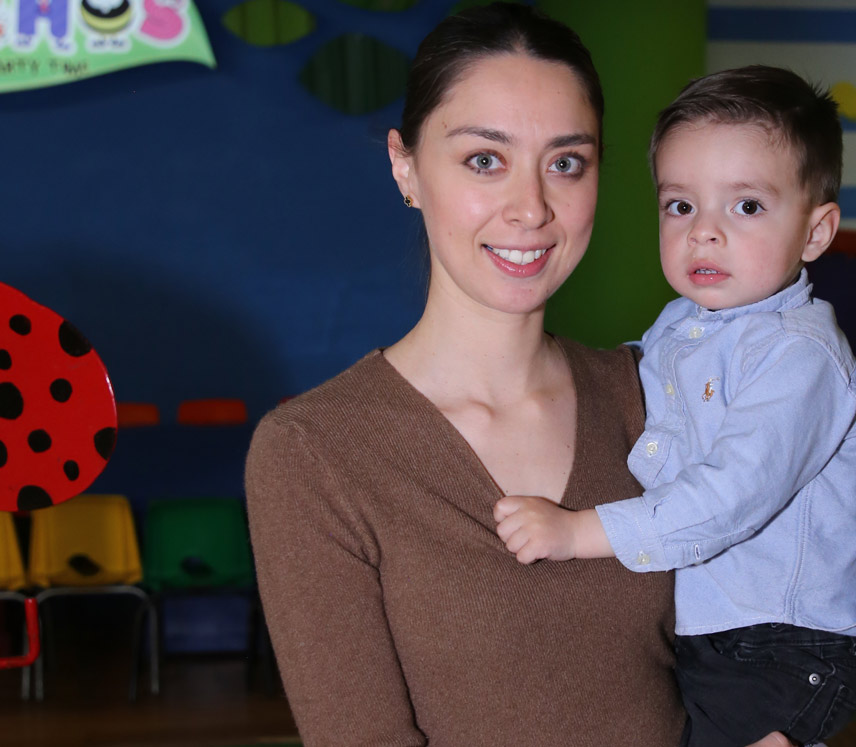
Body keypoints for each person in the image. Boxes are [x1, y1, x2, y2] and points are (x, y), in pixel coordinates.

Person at [245, 5, 792, 746]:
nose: (531, 208)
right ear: (405, 167)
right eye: (484, 160)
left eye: (566, 162)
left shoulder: (657, 394)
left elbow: (767, 631)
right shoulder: (315, 451)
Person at [494, 65, 856, 747]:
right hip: (715, 630)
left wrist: (576, 532)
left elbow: (729, 495)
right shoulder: (683, 322)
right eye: (680, 205)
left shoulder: (800, 356)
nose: (703, 232)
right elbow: (634, 383)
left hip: (784, 644)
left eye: (746, 206)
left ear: (815, 232)